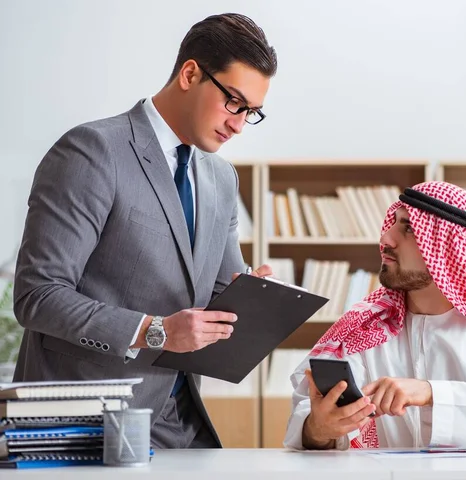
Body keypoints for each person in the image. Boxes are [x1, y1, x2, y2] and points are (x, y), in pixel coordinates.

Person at [12, 13, 277, 449]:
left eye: (251, 112)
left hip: (177, 423)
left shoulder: (222, 178)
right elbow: (37, 296)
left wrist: (251, 298)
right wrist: (155, 331)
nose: (238, 124)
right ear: (191, 73)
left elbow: (212, 298)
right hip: (87, 420)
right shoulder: (93, 151)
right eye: (234, 102)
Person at [284, 181, 466, 450]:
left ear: (450, 250)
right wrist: (318, 430)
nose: (385, 239)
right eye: (392, 224)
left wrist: (430, 393)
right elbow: (310, 415)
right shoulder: (364, 325)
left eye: (410, 229)